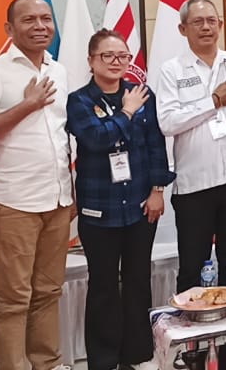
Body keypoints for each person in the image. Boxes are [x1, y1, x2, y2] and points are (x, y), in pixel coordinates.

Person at [0, 0, 74, 370]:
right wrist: (26, 105)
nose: (40, 26)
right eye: (29, 20)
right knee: (13, 299)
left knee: (49, 291)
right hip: (13, 202)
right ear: (10, 28)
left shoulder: (59, 70)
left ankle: (47, 364)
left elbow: (60, 135)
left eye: (46, 18)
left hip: (57, 199)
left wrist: (70, 191)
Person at [156, 0, 226, 369]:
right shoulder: (171, 69)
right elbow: (168, 122)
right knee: (193, 266)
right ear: (182, 29)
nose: (205, 27)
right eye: (197, 22)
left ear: (221, 24)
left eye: (211, 20)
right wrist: (213, 100)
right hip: (195, 182)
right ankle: (193, 351)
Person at [66, 30, 172, 370]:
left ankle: (139, 355)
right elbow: (96, 139)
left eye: (122, 56)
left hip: (140, 204)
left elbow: (155, 144)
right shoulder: (79, 101)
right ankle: (104, 359)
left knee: (139, 280)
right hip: (100, 207)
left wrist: (158, 190)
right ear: (91, 61)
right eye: (107, 56)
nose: (116, 62)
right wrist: (126, 113)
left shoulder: (141, 94)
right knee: (103, 285)